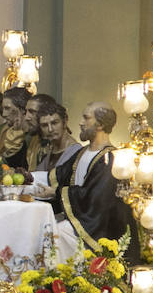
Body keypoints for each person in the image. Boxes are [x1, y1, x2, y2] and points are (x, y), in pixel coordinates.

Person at [46, 103, 132, 259]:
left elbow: (94, 197)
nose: (80, 122)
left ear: (100, 124)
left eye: (86, 118)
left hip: (97, 226)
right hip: (80, 217)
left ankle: (60, 279)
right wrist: (27, 179)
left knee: (55, 234)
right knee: (44, 227)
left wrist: (56, 192)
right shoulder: (82, 152)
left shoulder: (111, 158)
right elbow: (58, 175)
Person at [33, 107, 81, 175]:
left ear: (64, 122)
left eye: (54, 123)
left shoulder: (76, 152)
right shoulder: (49, 149)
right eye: (44, 125)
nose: (50, 129)